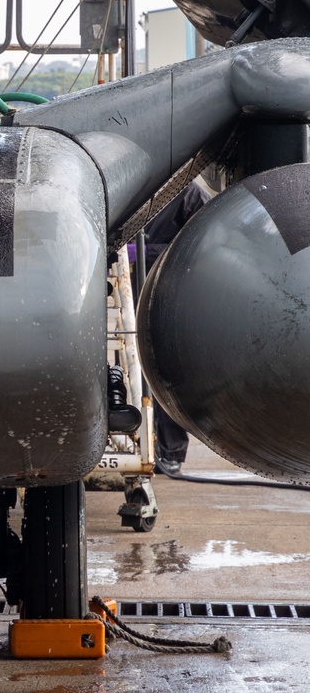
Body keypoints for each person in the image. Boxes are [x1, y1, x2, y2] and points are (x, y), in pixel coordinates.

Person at [137, 181, 209, 475]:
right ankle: (143, 446)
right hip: (128, 291)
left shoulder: (189, 194)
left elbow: (200, 244)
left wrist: (143, 253)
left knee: (165, 373)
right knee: (130, 375)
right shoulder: (134, 190)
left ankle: (172, 453)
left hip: (168, 296)